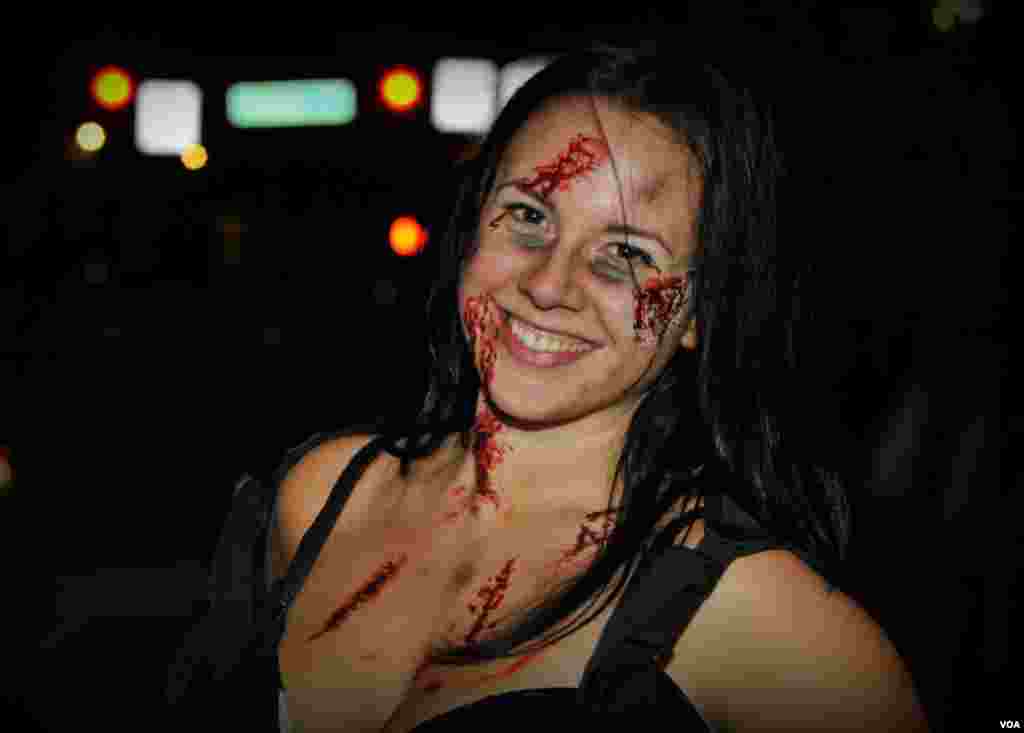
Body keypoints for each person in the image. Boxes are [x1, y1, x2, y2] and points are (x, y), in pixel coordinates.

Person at [166, 42, 930, 731]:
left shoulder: (758, 617)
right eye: (529, 216)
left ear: (702, 309)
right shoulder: (320, 497)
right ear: (472, 227)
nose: (549, 285)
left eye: (625, 255)